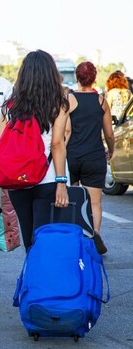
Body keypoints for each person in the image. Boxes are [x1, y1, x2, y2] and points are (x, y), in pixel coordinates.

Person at [0, 50, 70, 252]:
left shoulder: (10, 107)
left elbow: (1, 149)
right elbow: (58, 144)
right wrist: (62, 183)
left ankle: (31, 281)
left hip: (17, 179)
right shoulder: (58, 104)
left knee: (29, 238)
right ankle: (42, 281)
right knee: (45, 237)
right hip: (48, 179)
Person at [66, 62, 115, 254]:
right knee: (94, 202)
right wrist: (111, 151)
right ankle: (93, 236)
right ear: (94, 78)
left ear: (77, 78)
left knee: (72, 200)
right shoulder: (101, 101)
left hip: (72, 156)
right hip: (94, 156)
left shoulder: (68, 100)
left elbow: (65, 130)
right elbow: (109, 134)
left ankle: (74, 238)